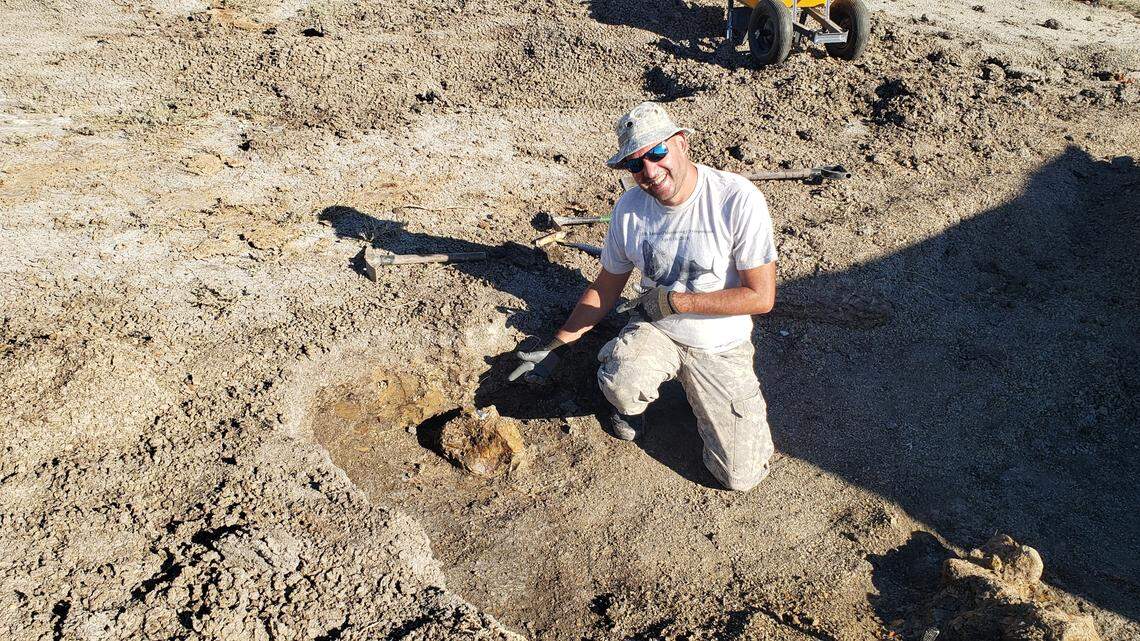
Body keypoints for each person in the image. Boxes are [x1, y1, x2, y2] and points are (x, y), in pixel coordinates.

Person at [510, 101, 778, 491]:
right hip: (658, 329)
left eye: (656, 153)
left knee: (740, 476)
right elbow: (605, 287)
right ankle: (630, 406)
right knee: (622, 379)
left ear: (682, 143)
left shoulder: (735, 198)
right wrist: (556, 343)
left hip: (720, 345)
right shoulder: (629, 211)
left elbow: (761, 297)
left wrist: (676, 302)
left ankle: (703, 396)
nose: (650, 171)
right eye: (636, 164)